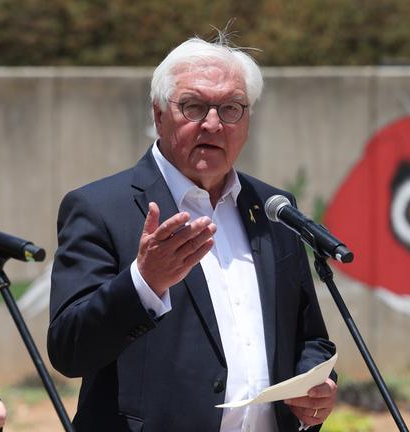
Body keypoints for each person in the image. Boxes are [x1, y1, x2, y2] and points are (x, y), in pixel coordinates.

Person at [47, 36, 337, 431]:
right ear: (159, 115)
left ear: (247, 120)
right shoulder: (100, 208)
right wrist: (144, 283)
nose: (213, 124)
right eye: (194, 106)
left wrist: (314, 388)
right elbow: (69, 350)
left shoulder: (273, 208)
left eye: (231, 108)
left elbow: (309, 338)